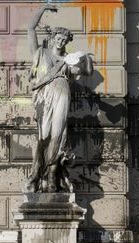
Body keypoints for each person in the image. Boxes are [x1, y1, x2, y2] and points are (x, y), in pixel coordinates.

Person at [25, 5, 93, 193]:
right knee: (43, 137)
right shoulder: (40, 53)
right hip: (44, 98)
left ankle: (53, 176)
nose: (61, 41)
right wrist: (43, 8)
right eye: (58, 38)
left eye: (64, 39)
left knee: (59, 136)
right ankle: (37, 175)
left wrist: (86, 57)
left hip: (62, 96)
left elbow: (87, 71)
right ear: (53, 38)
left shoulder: (68, 61)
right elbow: (30, 29)